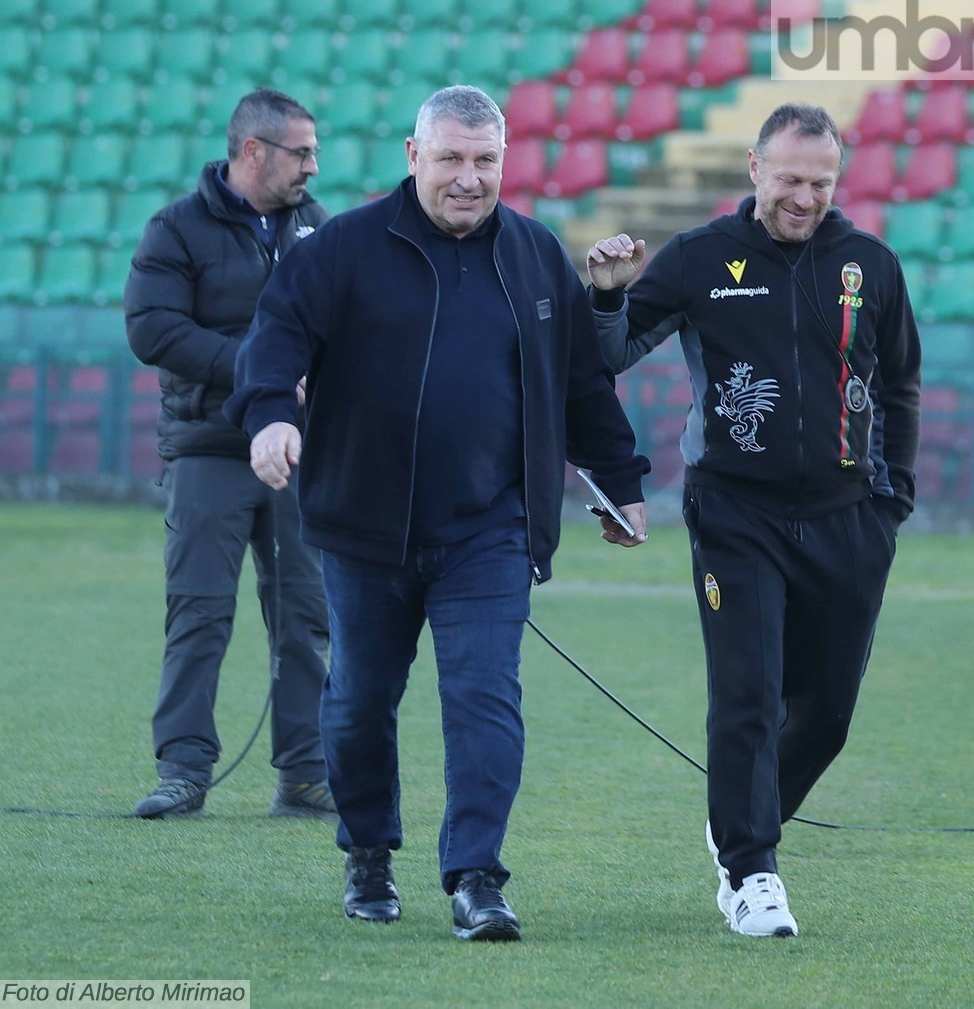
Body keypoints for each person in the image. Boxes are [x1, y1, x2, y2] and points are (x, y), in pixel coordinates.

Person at [223, 85, 650, 941]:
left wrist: (619, 477)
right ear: (414, 156)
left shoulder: (535, 257)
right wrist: (272, 412)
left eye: (484, 160)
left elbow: (578, 383)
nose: (468, 177)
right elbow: (275, 338)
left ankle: (477, 877)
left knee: (486, 697)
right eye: (450, 158)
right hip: (362, 528)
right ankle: (369, 853)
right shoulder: (341, 249)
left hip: (489, 530)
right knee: (355, 706)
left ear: (505, 161)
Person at [586, 103, 921, 938]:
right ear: (755, 169)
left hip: (850, 518)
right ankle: (749, 868)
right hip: (734, 511)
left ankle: (742, 812)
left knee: (828, 710)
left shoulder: (871, 265)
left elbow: (902, 385)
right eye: (789, 178)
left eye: (820, 181)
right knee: (746, 690)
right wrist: (604, 297)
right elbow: (612, 351)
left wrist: (894, 499)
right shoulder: (702, 257)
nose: (803, 197)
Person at [125, 88, 335, 821]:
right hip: (209, 450)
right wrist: (261, 365)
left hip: (298, 454)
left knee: (307, 615)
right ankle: (184, 771)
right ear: (253, 152)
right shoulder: (174, 229)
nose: (313, 164)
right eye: (301, 152)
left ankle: (307, 775)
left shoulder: (314, 225)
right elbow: (152, 330)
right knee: (199, 613)